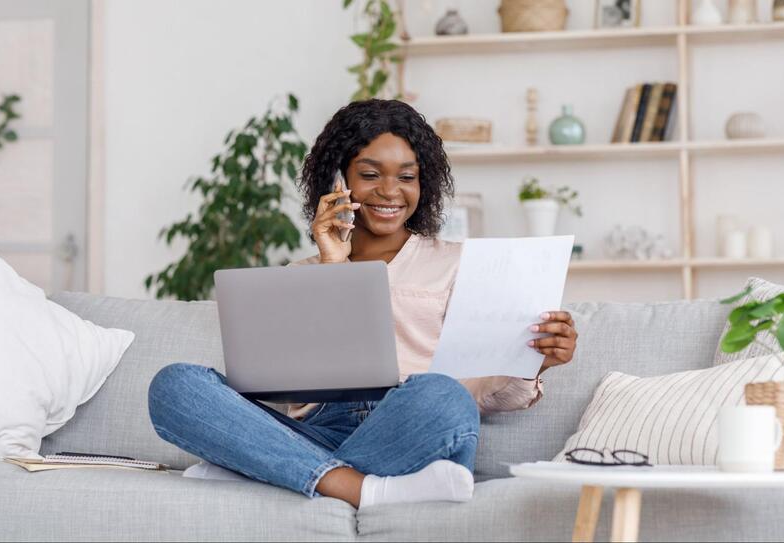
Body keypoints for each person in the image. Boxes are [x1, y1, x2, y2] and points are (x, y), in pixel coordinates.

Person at [148, 99, 578, 509]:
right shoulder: (299, 274)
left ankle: (278, 472)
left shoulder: (461, 263)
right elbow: (282, 384)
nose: (390, 192)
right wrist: (334, 266)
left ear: (423, 183)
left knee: (443, 393)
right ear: (337, 180)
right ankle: (360, 488)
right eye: (371, 175)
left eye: (407, 177)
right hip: (317, 427)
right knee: (175, 385)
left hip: (411, 423)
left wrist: (536, 361)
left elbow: (488, 396)